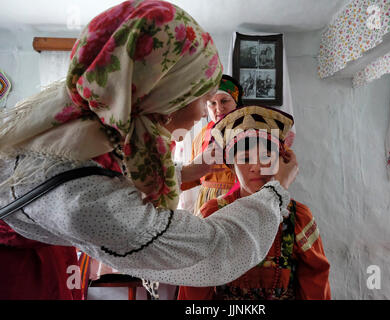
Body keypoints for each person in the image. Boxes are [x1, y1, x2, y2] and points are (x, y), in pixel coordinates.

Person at [0, 0, 299, 299]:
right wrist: (276, 189)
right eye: (203, 98)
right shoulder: (83, 199)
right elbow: (212, 250)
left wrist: (191, 170)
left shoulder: (83, 129)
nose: (203, 114)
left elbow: (117, 173)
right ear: (164, 97)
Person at [178, 105, 330, 300]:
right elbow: (194, 287)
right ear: (232, 167)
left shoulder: (297, 218)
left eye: (266, 157)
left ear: (280, 161)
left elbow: (315, 284)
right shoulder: (214, 214)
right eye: (246, 158)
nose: (256, 167)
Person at [181, 74, 243, 215]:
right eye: (212, 103)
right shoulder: (202, 136)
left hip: (237, 200)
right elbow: (194, 176)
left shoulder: (251, 132)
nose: (219, 108)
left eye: (224, 101)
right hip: (206, 201)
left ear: (236, 102)